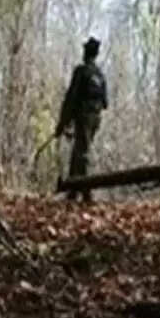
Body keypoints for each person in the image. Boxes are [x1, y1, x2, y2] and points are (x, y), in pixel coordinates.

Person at [56, 37, 108, 202]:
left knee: (82, 152)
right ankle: (73, 189)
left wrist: (62, 122)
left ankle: (86, 191)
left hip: (84, 117)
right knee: (79, 150)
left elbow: (71, 98)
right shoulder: (100, 75)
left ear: (86, 53)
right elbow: (105, 102)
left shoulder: (81, 71)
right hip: (96, 118)